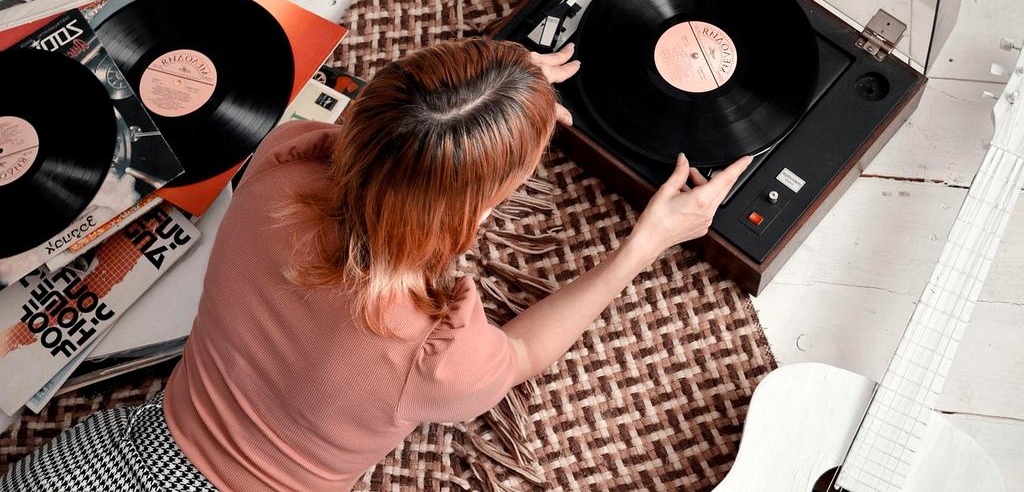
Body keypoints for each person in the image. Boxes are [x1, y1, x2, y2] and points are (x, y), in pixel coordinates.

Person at [1, 39, 750, 491]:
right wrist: (645, 244)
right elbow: (523, 353)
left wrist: (483, 88)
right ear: (480, 211)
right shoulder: (439, 353)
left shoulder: (285, 156)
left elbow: (388, 133)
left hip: (95, 462)